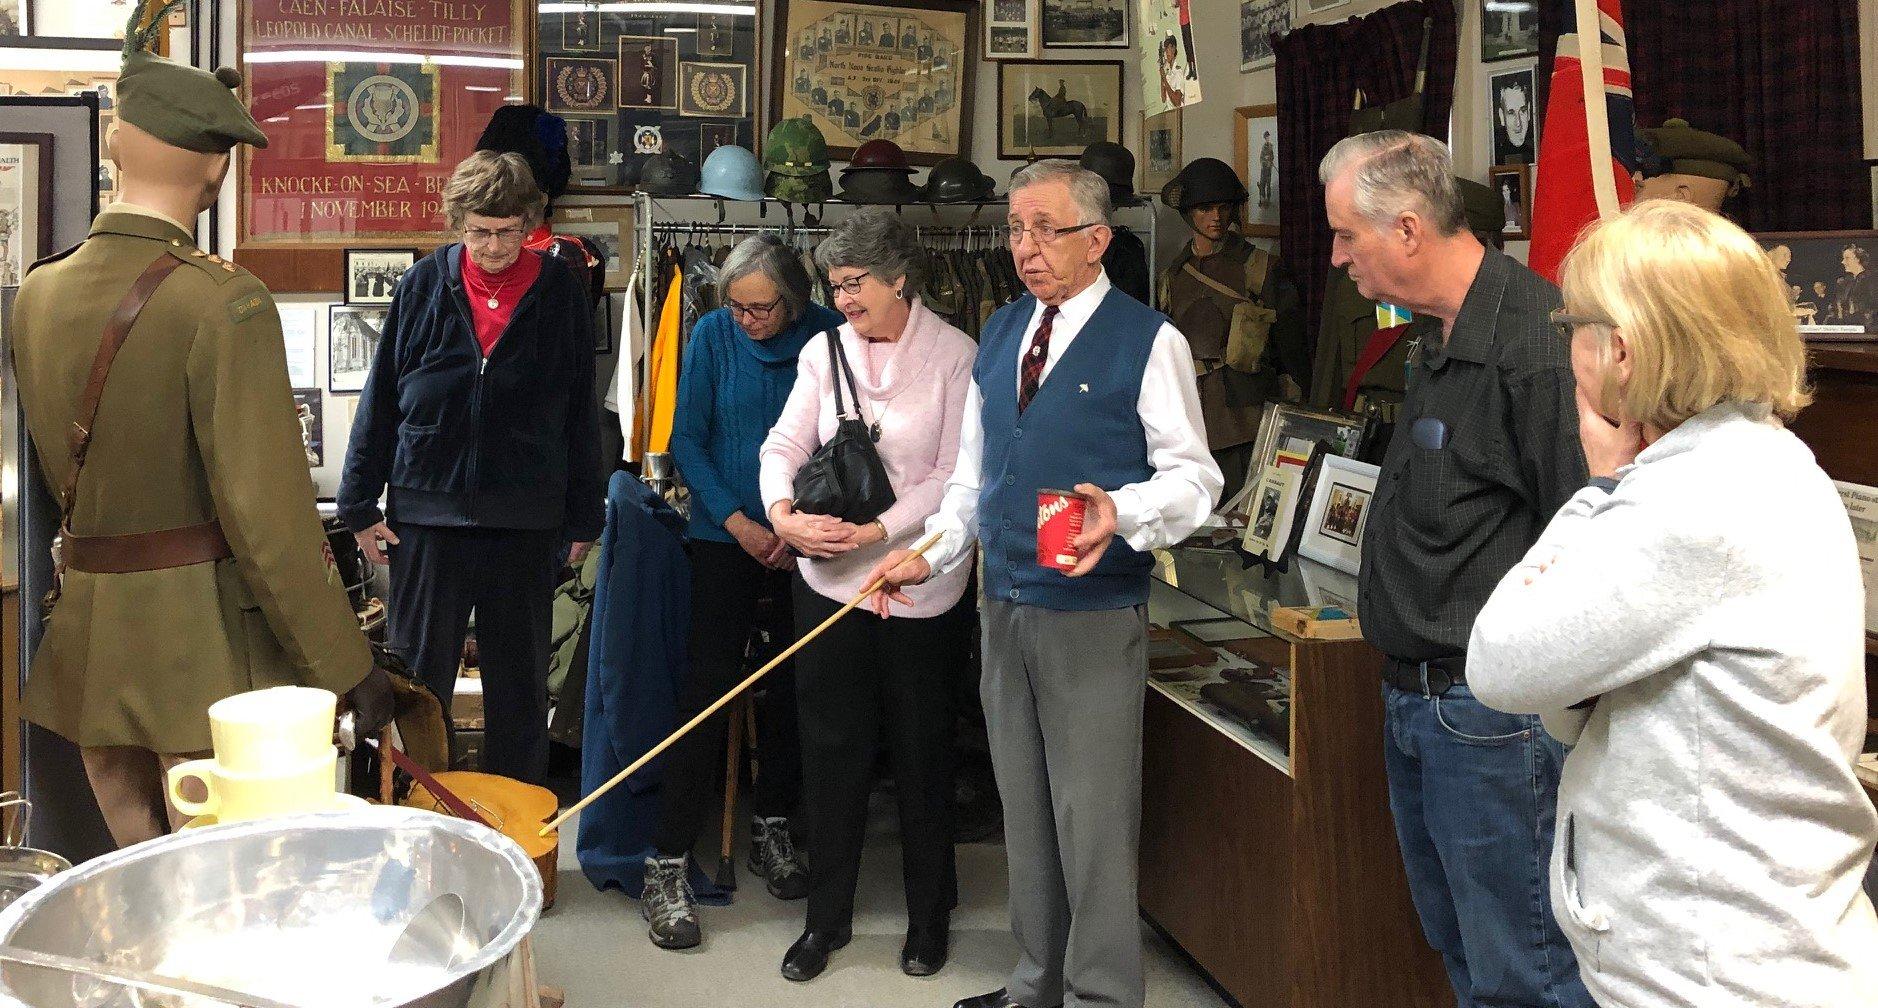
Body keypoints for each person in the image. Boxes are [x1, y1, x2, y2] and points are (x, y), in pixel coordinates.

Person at [1469, 199, 1878, 1008]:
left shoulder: (1688, 501)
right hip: (1748, 941)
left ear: (1620, 348)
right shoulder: (1766, 456)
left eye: (1571, 328)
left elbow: (1500, 660)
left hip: (1710, 968)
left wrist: (1599, 486)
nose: (1568, 352)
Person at [9, 11, 388, 849]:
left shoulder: (37, 292)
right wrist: (347, 666)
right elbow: (272, 524)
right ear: (216, 169)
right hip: (204, 658)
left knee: (135, 879)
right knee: (221, 897)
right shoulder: (222, 300)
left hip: (88, 644)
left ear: (118, 146)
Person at [867, 161, 1222, 1008]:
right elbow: (971, 480)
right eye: (1016, 228)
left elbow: (1197, 480)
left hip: (1093, 612)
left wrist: (1124, 512)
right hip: (1003, 603)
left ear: (1097, 240)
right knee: (1023, 811)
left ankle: (1101, 996)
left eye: (1046, 229)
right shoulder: (1000, 333)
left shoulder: (1149, 339)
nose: (1026, 247)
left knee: (1092, 822)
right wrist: (935, 551)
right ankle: (1035, 987)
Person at [1318, 131, 1593, 1008]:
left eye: (1344, 237)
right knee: (1465, 953)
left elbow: (1582, 543)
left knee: (1527, 971)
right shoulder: (1435, 334)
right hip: (1418, 699)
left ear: (1404, 231)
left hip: (1493, 719)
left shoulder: (1534, 343)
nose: (1335, 258)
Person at [758, 208, 977, 983]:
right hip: (828, 582)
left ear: (899, 278)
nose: (843, 299)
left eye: (855, 285)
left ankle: (927, 919)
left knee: (921, 754)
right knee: (832, 752)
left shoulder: (957, 356)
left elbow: (953, 476)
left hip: (920, 581)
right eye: (835, 285)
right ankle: (826, 921)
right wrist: (784, 512)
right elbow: (784, 442)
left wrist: (878, 534)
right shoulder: (822, 350)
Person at [338, 151, 604, 787]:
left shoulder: (561, 292)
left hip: (524, 518)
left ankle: (514, 831)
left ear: (529, 226)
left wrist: (583, 517)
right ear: (459, 223)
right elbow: (382, 400)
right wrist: (356, 507)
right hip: (426, 515)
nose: (492, 245)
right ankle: (416, 817)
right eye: (479, 230)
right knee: (419, 684)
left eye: (507, 230)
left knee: (518, 686)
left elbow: (578, 412)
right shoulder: (424, 285)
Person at [636, 236, 841, 951]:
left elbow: (842, 440)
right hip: (726, 533)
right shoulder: (712, 335)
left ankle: (773, 824)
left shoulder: (828, 334)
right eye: (739, 305)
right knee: (707, 690)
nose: (749, 319)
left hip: (808, 535)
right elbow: (685, 438)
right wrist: (740, 523)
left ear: (795, 299)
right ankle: (664, 861)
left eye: (762, 308)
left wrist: (798, 524)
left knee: (796, 683)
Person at [1158, 157, 1308, 501]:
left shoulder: (1260, 268)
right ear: (1188, 212)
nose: (1216, 217)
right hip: (1190, 423)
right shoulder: (1172, 277)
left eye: (1224, 208)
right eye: (1205, 208)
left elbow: (1293, 351)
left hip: (1247, 421)